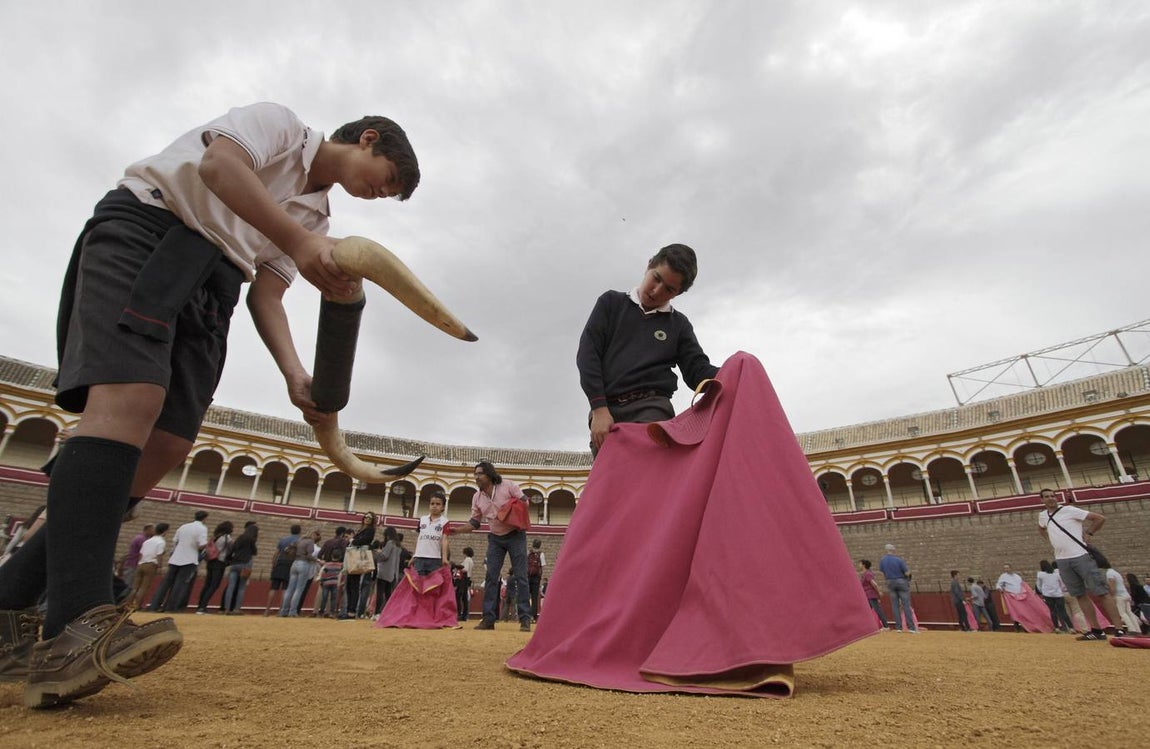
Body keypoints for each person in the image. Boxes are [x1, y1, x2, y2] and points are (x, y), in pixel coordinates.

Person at [0, 102, 421, 708]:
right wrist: (301, 242)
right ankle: (74, 623)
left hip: (217, 282)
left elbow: (269, 296)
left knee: (169, 441)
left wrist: (296, 375)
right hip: (153, 229)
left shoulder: (316, 216)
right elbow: (219, 168)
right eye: (386, 180)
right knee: (131, 400)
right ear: (368, 139)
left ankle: (8, 601)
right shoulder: (281, 126)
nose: (380, 195)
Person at [576, 244, 719, 456]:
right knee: (610, 483)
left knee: (646, 475)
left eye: (669, 289)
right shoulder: (611, 303)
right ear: (649, 264)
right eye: (657, 278)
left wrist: (733, 372)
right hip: (607, 412)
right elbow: (588, 355)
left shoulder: (678, 325)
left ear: (679, 293)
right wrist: (598, 409)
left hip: (652, 409)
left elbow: (697, 373)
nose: (656, 290)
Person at [1036, 488, 1127, 640]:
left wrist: (1089, 533)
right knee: (1079, 594)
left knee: (1101, 591)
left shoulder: (1069, 510)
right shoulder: (1043, 515)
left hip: (1080, 555)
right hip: (1062, 559)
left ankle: (1119, 628)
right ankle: (1096, 630)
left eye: (1053, 496)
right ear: (1042, 500)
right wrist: (1051, 541)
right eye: (1047, 497)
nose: (1051, 499)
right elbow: (1040, 528)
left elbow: (1099, 518)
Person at [455, 461, 532, 632]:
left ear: (489, 474)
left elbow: (525, 502)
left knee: (521, 576)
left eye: (479, 473)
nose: (476, 477)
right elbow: (474, 522)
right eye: (475, 474)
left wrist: (510, 510)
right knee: (491, 577)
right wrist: (457, 530)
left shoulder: (508, 485)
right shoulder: (477, 497)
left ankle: (525, 619)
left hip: (515, 535)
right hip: (495, 538)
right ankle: (488, 619)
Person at [375, 490, 458, 629]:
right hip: (420, 557)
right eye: (432, 503)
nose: (434, 506)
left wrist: (444, 557)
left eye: (438, 504)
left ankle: (429, 616)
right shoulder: (423, 519)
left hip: (435, 559)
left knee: (432, 590)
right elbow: (420, 538)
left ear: (443, 507)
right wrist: (414, 556)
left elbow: (444, 540)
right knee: (416, 588)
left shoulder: (445, 522)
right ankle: (414, 615)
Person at [150, 510, 210, 613]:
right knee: (180, 584)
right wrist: (208, 544)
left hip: (176, 557)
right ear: (204, 518)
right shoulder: (202, 528)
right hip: (189, 558)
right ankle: (170, 607)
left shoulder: (183, 526)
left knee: (166, 583)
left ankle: (154, 605)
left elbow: (175, 541)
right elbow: (201, 545)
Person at [126, 523, 170, 610]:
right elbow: (159, 555)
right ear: (165, 531)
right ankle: (137, 606)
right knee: (143, 587)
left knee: (135, 587)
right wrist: (160, 567)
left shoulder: (147, 541)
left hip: (141, 563)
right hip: (151, 564)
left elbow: (141, 554)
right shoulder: (161, 541)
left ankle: (128, 603)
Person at [195, 520, 234, 614]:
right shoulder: (227, 537)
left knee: (207, 584)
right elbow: (232, 548)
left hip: (211, 561)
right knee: (214, 585)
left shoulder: (215, 536)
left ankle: (200, 606)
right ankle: (203, 607)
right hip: (219, 562)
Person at [280, 529, 322, 617]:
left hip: (295, 563)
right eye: (317, 535)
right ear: (313, 534)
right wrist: (318, 560)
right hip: (304, 564)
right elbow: (309, 555)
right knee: (299, 589)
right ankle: (293, 611)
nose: (318, 537)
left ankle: (283, 611)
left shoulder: (299, 540)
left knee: (290, 589)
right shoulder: (310, 542)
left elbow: (287, 549)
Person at [344, 512, 377, 619]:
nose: (367, 519)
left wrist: (353, 540)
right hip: (356, 556)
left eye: (369, 518)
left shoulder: (370, 530)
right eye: (366, 517)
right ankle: (349, 609)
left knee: (354, 584)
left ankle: (352, 611)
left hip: (358, 558)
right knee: (350, 584)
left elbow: (364, 541)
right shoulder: (362, 529)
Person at [221, 522, 258, 615]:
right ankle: (237, 609)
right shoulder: (251, 539)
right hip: (245, 563)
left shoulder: (240, 537)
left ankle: (226, 608)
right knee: (241, 587)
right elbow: (254, 552)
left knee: (231, 586)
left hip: (235, 563)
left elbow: (232, 549)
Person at [879, 544, 917, 633]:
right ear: (893, 550)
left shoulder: (882, 560)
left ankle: (899, 627)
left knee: (895, 605)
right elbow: (907, 572)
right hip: (901, 581)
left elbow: (882, 572)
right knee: (906, 605)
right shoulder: (898, 560)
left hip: (889, 582)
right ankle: (911, 628)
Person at [264, 524, 301, 616]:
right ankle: (281, 610)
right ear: (299, 531)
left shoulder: (283, 539)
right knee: (286, 588)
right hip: (290, 564)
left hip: (279, 563)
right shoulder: (299, 541)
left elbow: (276, 553)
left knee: (273, 587)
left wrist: (274, 564)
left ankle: (267, 610)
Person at [1035, 560, 1074, 633]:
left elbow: (1038, 585)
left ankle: (1057, 628)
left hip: (1047, 595)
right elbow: (1062, 584)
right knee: (1063, 611)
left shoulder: (1040, 574)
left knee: (1053, 611)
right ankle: (1071, 627)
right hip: (1058, 594)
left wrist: (1042, 592)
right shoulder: (1056, 574)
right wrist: (1060, 590)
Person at [373, 527, 402, 616]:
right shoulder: (398, 546)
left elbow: (384, 556)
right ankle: (388, 613)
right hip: (393, 573)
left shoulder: (390, 543)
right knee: (388, 594)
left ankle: (377, 612)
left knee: (380, 593)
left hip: (385, 572)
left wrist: (376, 553)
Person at [116, 523, 154, 592]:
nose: (153, 532)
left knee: (129, 584)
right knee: (128, 584)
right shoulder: (141, 539)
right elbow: (142, 552)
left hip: (132, 564)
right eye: (152, 530)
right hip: (133, 564)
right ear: (147, 530)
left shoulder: (142, 538)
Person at [317, 547, 345, 619]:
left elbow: (322, 572)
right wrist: (341, 582)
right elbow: (341, 574)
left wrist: (321, 580)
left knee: (324, 598)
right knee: (333, 599)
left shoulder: (327, 564)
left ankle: (321, 612)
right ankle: (332, 613)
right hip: (335, 583)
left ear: (331, 556)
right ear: (340, 557)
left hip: (326, 583)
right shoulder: (341, 565)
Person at [527, 539, 546, 623]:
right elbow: (542, 567)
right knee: (534, 597)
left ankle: (525, 615)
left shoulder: (528, 553)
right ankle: (533, 616)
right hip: (536, 578)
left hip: (527, 577)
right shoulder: (541, 554)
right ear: (540, 545)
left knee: (526, 596)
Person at [455, 546, 475, 622]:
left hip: (463, 578)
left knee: (459, 596)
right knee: (464, 597)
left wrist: (458, 567)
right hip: (468, 579)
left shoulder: (467, 560)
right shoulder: (471, 560)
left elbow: (465, 569)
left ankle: (459, 614)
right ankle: (465, 615)